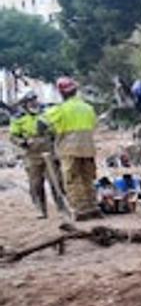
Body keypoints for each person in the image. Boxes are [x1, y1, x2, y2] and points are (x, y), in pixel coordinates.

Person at [42, 77, 101, 221]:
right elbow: (94, 125)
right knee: (87, 178)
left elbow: (41, 124)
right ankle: (93, 207)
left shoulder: (60, 110)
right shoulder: (88, 108)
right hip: (88, 148)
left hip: (69, 149)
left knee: (72, 179)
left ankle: (80, 210)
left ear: (61, 93)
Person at [8, 91, 53, 218]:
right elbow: (13, 136)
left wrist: (50, 131)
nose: (33, 102)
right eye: (30, 101)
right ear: (24, 103)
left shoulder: (46, 112)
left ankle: (62, 207)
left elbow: (55, 127)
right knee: (36, 183)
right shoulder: (19, 117)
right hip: (31, 152)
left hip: (49, 149)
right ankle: (40, 210)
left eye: (34, 99)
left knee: (56, 180)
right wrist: (23, 142)